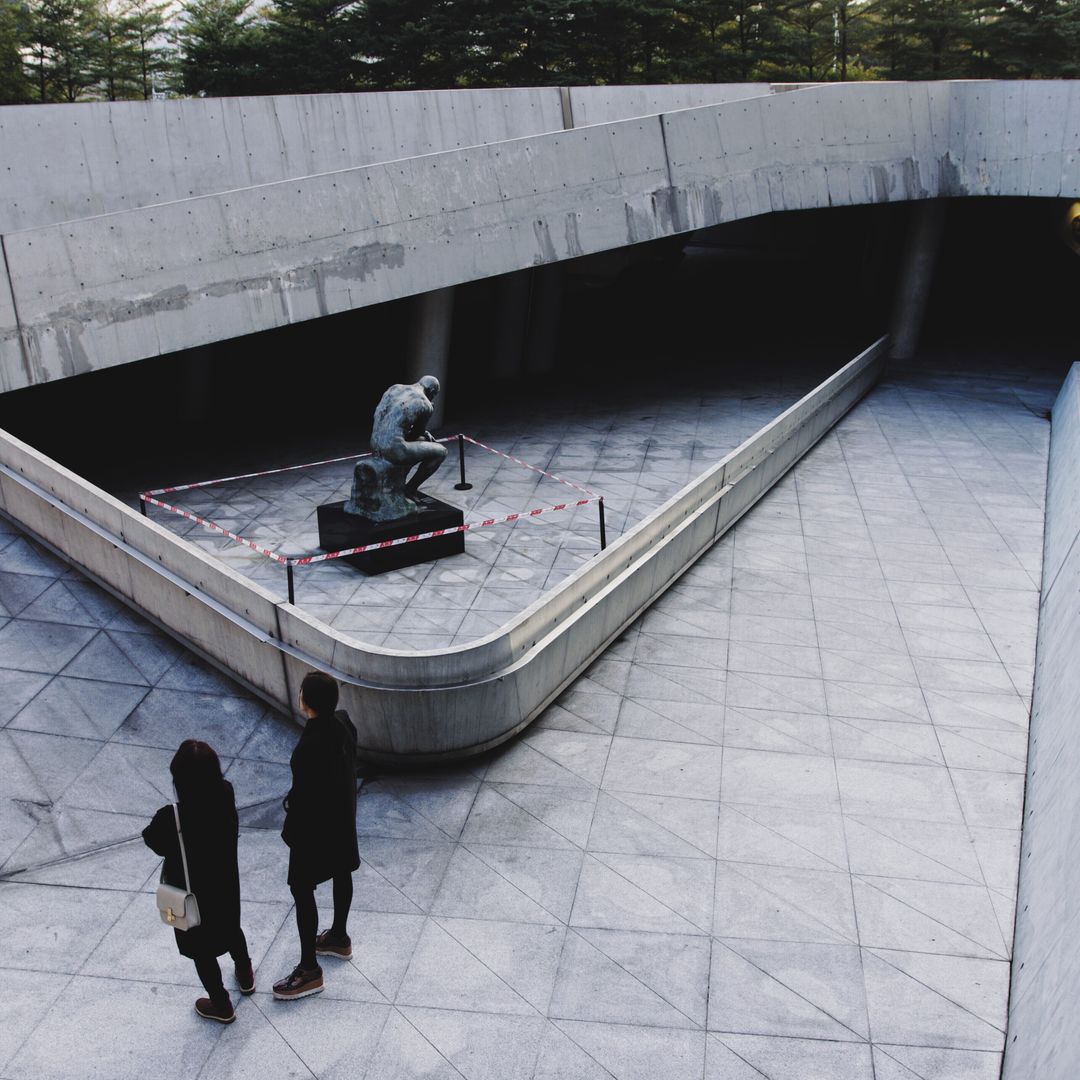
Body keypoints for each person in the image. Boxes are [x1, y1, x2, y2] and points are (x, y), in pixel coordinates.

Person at [143, 740, 253, 1024]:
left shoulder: (173, 816)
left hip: (193, 894)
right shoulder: (225, 794)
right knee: (232, 929)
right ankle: (245, 974)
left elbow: (152, 839)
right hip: (225, 884)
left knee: (201, 952)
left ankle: (221, 1004)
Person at [273, 671, 360, 1001]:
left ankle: (309, 969)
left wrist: (291, 832)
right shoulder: (343, 724)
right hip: (342, 818)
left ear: (304, 702)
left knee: (301, 888)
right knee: (342, 871)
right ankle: (338, 936)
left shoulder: (308, 747)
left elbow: (305, 796)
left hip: (315, 829)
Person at [369, 375, 448, 495]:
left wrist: (423, 434)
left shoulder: (394, 388)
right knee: (441, 452)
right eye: (434, 395)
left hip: (375, 444)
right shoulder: (425, 403)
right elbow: (417, 433)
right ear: (432, 392)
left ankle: (399, 480)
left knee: (416, 443)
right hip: (393, 449)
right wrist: (425, 433)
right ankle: (409, 490)